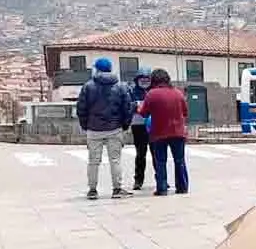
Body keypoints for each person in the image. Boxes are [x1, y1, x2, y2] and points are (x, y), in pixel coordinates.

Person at [76, 57, 133, 200]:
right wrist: (125, 125)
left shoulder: (88, 86)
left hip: (94, 129)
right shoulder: (120, 86)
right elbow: (127, 108)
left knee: (93, 161)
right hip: (114, 128)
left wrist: (85, 125)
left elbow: (81, 108)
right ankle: (117, 189)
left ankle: (92, 190)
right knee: (115, 160)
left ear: (97, 69)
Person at [138, 68, 189, 196]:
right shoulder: (178, 93)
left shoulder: (151, 94)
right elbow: (185, 112)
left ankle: (162, 188)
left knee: (160, 161)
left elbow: (144, 113)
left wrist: (138, 107)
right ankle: (182, 187)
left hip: (159, 133)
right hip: (178, 132)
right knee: (180, 160)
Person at [129, 67, 154, 190]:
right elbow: (128, 106)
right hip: (138, 125)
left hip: (153, 125)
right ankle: (138, 180)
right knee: (140, 154)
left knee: (156, 153)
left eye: (147, 79)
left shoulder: (154, 91)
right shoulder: (132, 91)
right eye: (142, 78)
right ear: (137, 79)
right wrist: (137, 105)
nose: (144, 81)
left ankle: (160, 177)